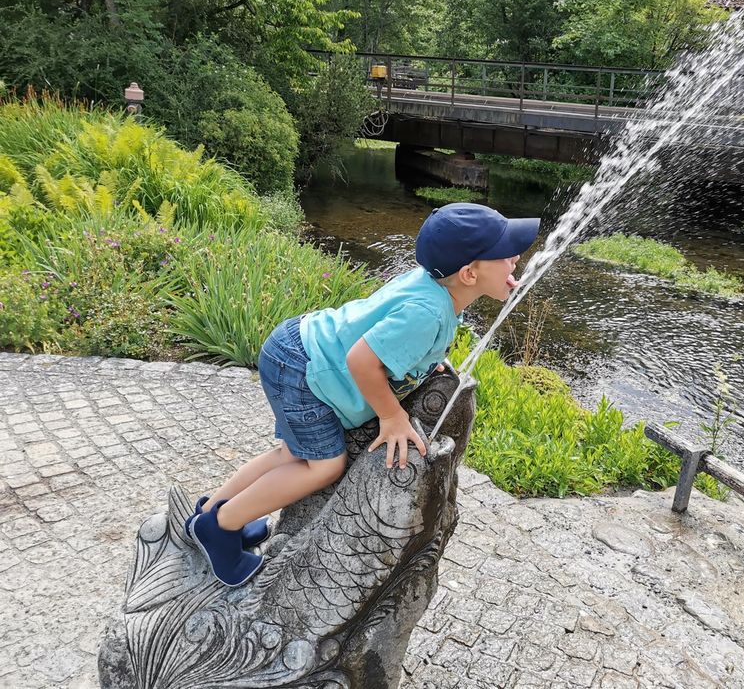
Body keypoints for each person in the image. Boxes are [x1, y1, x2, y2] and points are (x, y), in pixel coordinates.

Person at [186, 203, 540, 586]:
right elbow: (361, 360)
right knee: (323, 466)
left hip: (298, 347)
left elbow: (387, 325)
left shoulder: (432, 287)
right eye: (505, 254)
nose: (516, 257)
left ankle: (207, 510)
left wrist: (425, 360)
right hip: (304, 371)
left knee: (290, 453)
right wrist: (391, 416)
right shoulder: (429, 313)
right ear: (469, 273)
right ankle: (220, 528)